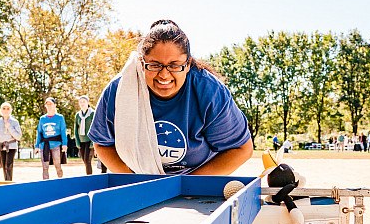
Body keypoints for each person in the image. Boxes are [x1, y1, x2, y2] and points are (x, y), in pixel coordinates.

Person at [88, 19, 252, 175]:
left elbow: (241, 149)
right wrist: (135, 181)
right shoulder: (119, 90)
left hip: (193, 186)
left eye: (174, 65)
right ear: (142, 63)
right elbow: (102, 143)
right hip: (141, 182)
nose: (164, 74)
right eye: (154, 65)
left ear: (187, 65)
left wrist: (185, 185)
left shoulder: (210, 91)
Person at [34, 97, 67, 180]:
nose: (49, 106)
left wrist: (64, 144)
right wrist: (37, 145)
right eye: (47, 104)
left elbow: (63, 131)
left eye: (50, 104)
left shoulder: (60, 117)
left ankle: (60, 179)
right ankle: (45, 183)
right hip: (44, 146)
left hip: (56, 145)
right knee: (45, 166)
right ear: (45, 106)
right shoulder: (42, 119)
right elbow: (39, 133)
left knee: (57, 165)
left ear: (54, 105)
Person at [0, 102, 22, 181]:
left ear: (10, 110)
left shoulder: (14, 122)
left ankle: (9, 183)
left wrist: (10, 127)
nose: (6, 110)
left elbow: (18, 136)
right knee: (4, 166)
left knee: (9, 165)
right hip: (1, 147)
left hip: (11, 146)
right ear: (1, 110)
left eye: (8, 108)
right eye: (4, 108)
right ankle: (6, 182)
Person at [74, 95, 95, 175]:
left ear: (87, 102)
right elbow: (76, 129)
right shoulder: (78, 115)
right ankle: (89, 176)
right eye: (80, 102)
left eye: (84, 101)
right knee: (85, 161)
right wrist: (77, 142)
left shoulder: (92, 113)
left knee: (87, 160)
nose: (82, 103)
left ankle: (89, 178)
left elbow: (94, 128)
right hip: (81, 141)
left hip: (90, 141)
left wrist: (92, 142)